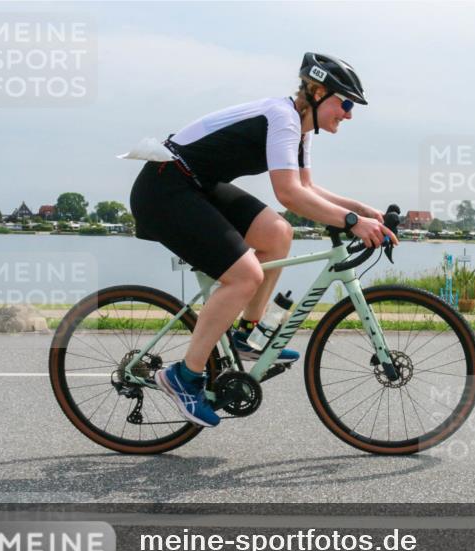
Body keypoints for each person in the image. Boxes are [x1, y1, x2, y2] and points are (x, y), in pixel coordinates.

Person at [128, 52, 397, 428]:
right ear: (318, 92)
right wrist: (352, 222)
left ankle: (245, 334)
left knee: (277, 233)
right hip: (165, 188)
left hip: (195, 185)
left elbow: (306, 187)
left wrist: (362, 210)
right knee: (245, 276)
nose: (349, 114)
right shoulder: (283, 118)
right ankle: (184, 377)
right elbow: (288, 195)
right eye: (346, 103)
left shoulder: (299, 128)